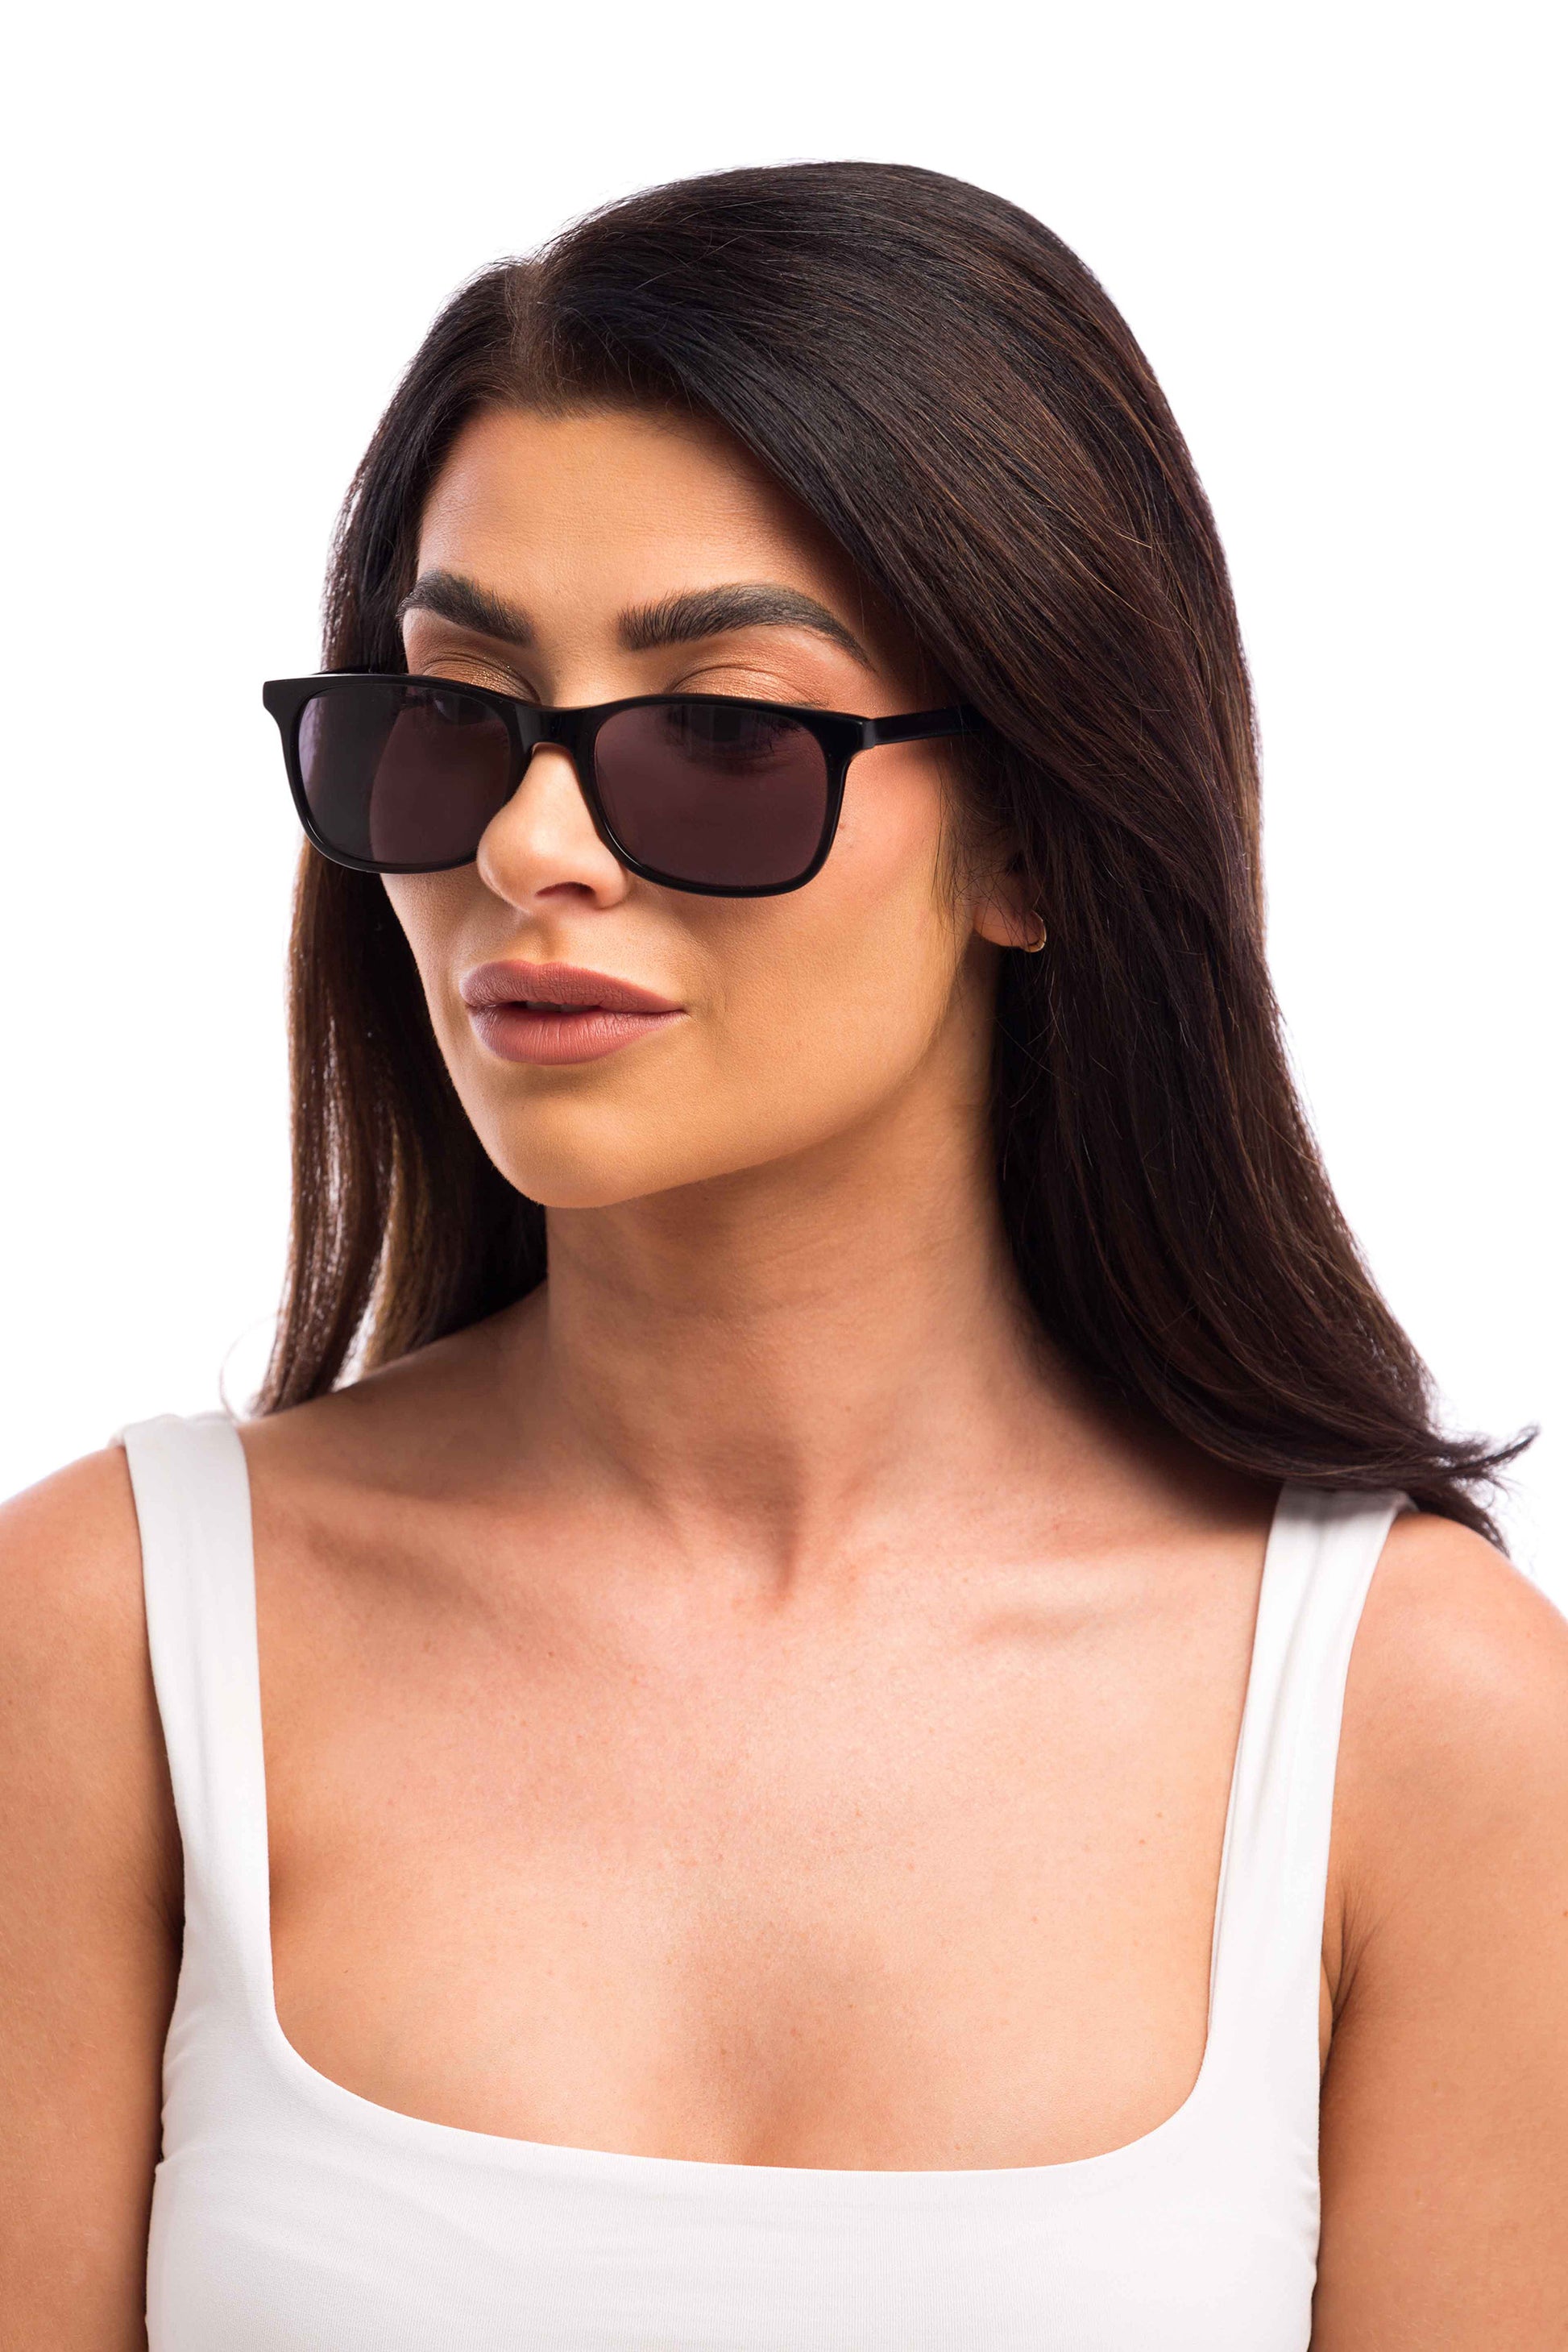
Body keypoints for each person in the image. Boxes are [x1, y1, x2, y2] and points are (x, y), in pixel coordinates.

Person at [2, 160, 1564, 2350]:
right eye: (454, 717)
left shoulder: (1424, 1721)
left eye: (724, 735)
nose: (530, 845)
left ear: (1037, 835)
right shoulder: (101, 1642)